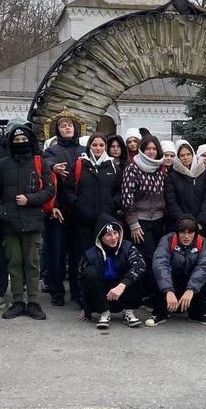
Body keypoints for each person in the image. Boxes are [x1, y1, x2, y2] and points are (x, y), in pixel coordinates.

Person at [0, 125, 55, 320]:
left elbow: (49, 190)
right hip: (10, 223)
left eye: (23, 140)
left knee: (32, 263)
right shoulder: (1, 164)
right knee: (15, 263)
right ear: (10, 143)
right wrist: (2, 213)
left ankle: (33, 302)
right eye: (16, 140)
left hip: (33, 221)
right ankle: (18, 301)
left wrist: (30, 199)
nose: (20, 143)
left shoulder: (39, 163)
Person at [63, 132, 122, 306]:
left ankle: (103, 294)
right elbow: (67, 191)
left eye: (101, 145)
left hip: (104, 223)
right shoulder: (79, 165)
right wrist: (77, 205)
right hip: (82, 222)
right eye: (94, 145)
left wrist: (112, 205)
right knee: (81, 258)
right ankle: (79, 294)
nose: (98, 148)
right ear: (89, 146)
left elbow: (119, 192)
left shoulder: (113, 168)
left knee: (105, 259)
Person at [0, 119, 30, 313]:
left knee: (26, 256)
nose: (20, 139)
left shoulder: (32, 153)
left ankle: (23, 293)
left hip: (26, 213)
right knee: (0, 257)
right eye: (16, 135)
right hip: (2, 215)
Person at [42, 116, 85, 303]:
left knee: (78, 252)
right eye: (62, 126)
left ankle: (77, 291)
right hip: (58, 208)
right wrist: (53, 167)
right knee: (57, 252)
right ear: (57, 130)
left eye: (70, 125)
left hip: (79, 208)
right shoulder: (52, 150)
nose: (67, 128)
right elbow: (45, 167)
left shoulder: (84, 151)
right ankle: (57, 290)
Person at [121, 134, 166, 303]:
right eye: (148, 149)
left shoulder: (161, 168)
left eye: (154, 148)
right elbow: (127, 198)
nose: (152, 152)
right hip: (140, 221)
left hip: (158, 219)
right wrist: (133, 224)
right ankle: (148, 296)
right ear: (142, 150)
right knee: (148, 257)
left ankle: (150, 294)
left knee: (157, 257)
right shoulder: (132, 168)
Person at [78, 215, 145, 329]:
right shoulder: (90, 254)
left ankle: (128, 311)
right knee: (89, 272)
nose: (113, 238)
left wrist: (123, 284)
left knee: (138, 270)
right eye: (108, 235)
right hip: (102, 296)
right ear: (100, 237)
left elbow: (140, 265)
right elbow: (82, 282)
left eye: (115, 233)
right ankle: (104, 313)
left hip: (123, 292)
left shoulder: (128, 247)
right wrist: (86, 307)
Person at [148, 215, 206, 327]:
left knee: (203, 278)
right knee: (157, 275)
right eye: (183, 232)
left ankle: (197, 314)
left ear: (196, 233)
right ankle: (160, 313)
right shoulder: (167, 240)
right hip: (172, 283)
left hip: (189, 285)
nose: (186, 236)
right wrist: (168, 290)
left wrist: (191, 289)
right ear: (177, 232)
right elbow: (160, 264)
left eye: (190, 233)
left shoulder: (202, 243)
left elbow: (203, 267)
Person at [164, 140, 206, 234]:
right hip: (180, 225)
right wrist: (184, 222)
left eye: (188, 154)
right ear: (178, 158)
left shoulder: (203, 175)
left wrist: (200, 221)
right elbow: (171, 202)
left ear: (193, 155)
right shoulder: (172, 176)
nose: (185, 157)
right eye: (182, 155)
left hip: (201, 225)